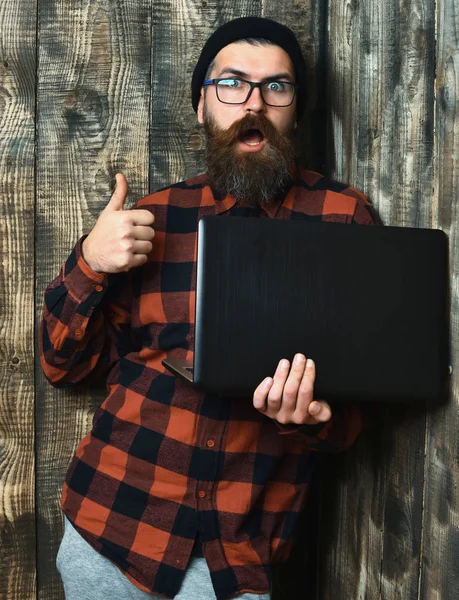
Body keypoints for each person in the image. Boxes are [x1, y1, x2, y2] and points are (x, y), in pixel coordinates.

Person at [40, 16, 382, 600]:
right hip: (111, 528)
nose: (253, 102)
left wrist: (313, 419)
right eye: (232, 84)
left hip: (237, 560)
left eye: (277, 86)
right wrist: (91, 260)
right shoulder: (156, 215)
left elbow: (356, 414)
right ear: (203, 106)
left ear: (294, 109)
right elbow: (61, 366)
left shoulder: (344, 221)